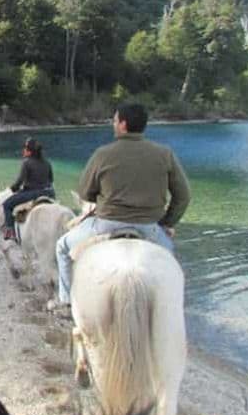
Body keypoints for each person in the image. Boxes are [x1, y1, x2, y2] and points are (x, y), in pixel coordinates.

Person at [54, 103, 191, 305]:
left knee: (62, 248)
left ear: (123, 124)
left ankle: (65, 300)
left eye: (115, 120)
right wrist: (167, 222)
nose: (113, 124)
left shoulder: (102, 154)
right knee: (172, 265)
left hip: (105, 224)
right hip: (149, 228)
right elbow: (184, 196)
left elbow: (85, 192)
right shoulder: (165, 154)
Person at [1, 138, 55, 240]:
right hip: (49, 193)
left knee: (6, 205)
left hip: (33, 193)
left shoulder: (27, 162)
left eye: (25, 148)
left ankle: (10, 232)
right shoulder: (47, 162)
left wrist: (12, 189)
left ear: (29, 151)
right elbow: (51, 180)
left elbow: (19, 181)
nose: (23, 150)